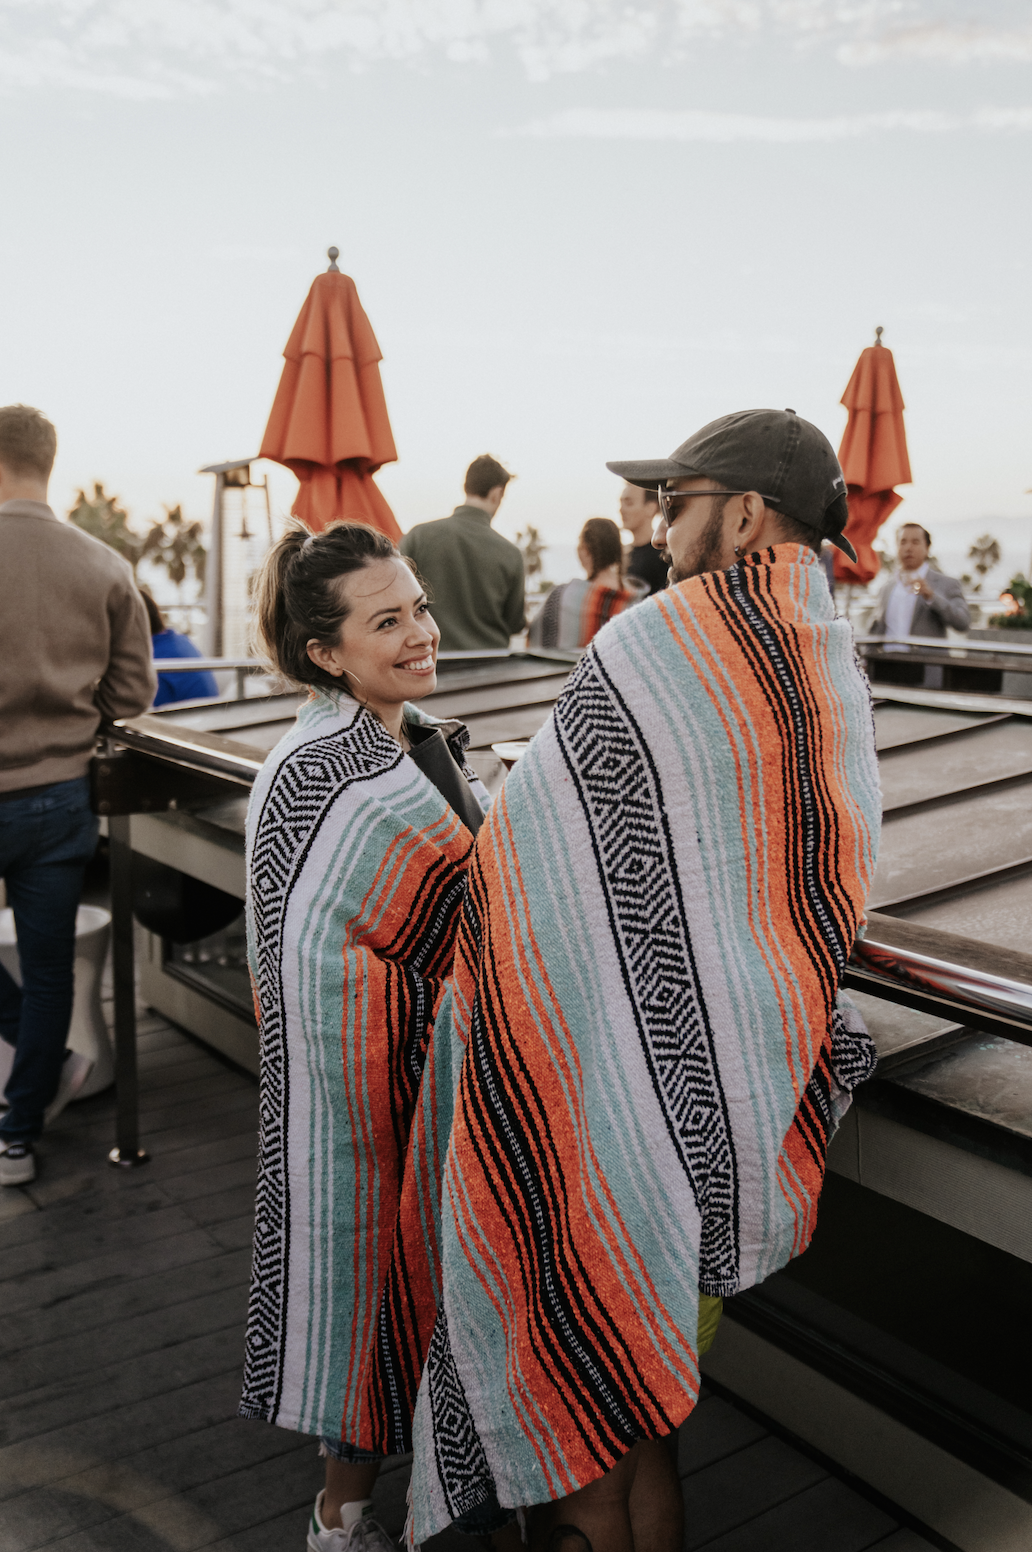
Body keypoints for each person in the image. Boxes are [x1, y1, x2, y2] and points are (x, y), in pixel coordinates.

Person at [409, 409, 882, 1552]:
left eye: (677, 503)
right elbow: (819, 881)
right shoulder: (831, 662)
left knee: (581, 1432)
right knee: (651, 1408)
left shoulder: (658, 646)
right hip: (727, 1114)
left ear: (748, 514)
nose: (661, 530)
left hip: (599, 1126)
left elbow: (528, 859)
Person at [239, 522, 493, 1552]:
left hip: (399, 1063)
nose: (420, 632)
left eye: (419, 607)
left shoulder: (410, 737)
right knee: (376, 1285)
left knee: (390, 1290)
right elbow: (456, 904)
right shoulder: (326, 767)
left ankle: (372, 1503)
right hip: (359, 1079)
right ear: (325, 652)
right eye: (386, 621)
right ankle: (343, 1519)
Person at [0, 405, 155, 1188]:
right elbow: (133, 695)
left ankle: (45, 1074)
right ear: (48, 462)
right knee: (49, 973)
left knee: (41, 979)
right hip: (60, 796)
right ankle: (17, 1137)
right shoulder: (103, 565)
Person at [399, 455, 525, 651]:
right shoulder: (510, 553)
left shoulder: (418, 536)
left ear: (466, 486)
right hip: (491, 661)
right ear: (497, 493)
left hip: (429, 658)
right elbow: (515, 623)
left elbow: (394, 594)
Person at [868, 523, 970, 687]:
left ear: (927, 548)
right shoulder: (887, 587)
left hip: (925, 671)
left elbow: (963, 622)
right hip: (887, 668)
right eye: (903, 542)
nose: (908, 548)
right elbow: (877, 629)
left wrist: (932, 597)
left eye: (915, 542)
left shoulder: (946, 584)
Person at [528, 517, 646, 651]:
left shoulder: (560, 598)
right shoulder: (637, 603)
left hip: (571, 665)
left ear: (584, 550)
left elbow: (539, 642)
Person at [140, 591, 219, 707]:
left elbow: (145, 708)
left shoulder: (155, 658)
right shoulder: (177, 640)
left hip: (189, 716)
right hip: (209, 712)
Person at [618, 481, 667, 595]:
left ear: (651, 508)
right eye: (621, 503)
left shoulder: (665, 556)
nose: (621, 510)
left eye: (629, 503)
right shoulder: (622, 555)